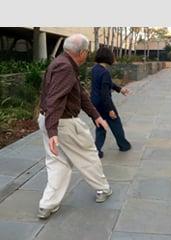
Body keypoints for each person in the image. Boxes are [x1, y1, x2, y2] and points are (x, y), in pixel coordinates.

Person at [37, 34, 112, 220]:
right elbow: (55, 99)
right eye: (87, 52)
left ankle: (47, 205)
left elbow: (79, 93)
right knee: (87, 154)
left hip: (49, 120)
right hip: (62, 123)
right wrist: (53, 130)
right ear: (83, 52)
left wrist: (96, 116)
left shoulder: (62, 62)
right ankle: (103, 188)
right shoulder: (65, 67)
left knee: (58, 163)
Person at [91, 47, 131, 158]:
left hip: (95, 103)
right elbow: (104, 93)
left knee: (100, 126)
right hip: (104, 103)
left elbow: (107, 83)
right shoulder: (105, 72)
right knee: (116, 123)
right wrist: (110, 110)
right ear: (108, 57)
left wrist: (120, 89)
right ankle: (124, 145)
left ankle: (96, 150)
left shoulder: (95, 69)